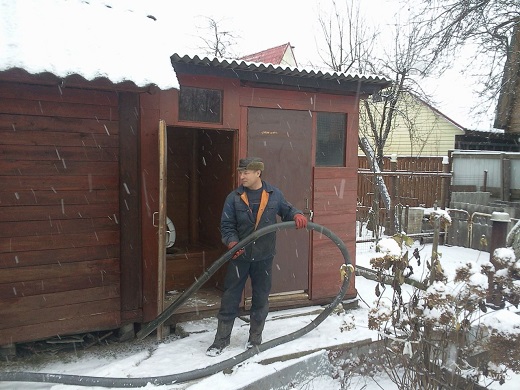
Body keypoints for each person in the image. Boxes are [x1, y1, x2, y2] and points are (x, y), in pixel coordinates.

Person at [206, 157, 308, 356]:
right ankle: (221, 341)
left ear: (257, 173)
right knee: (230, 298)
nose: (241, 176)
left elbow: (287, 210)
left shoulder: (273, 195)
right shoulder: (234, 198)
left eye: (246, 173)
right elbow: (227, 227)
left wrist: (296, 215)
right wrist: (232, 243)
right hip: (240, 256)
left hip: (264, 257)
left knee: (260, 298)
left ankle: (255, 339)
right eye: (240, 172)